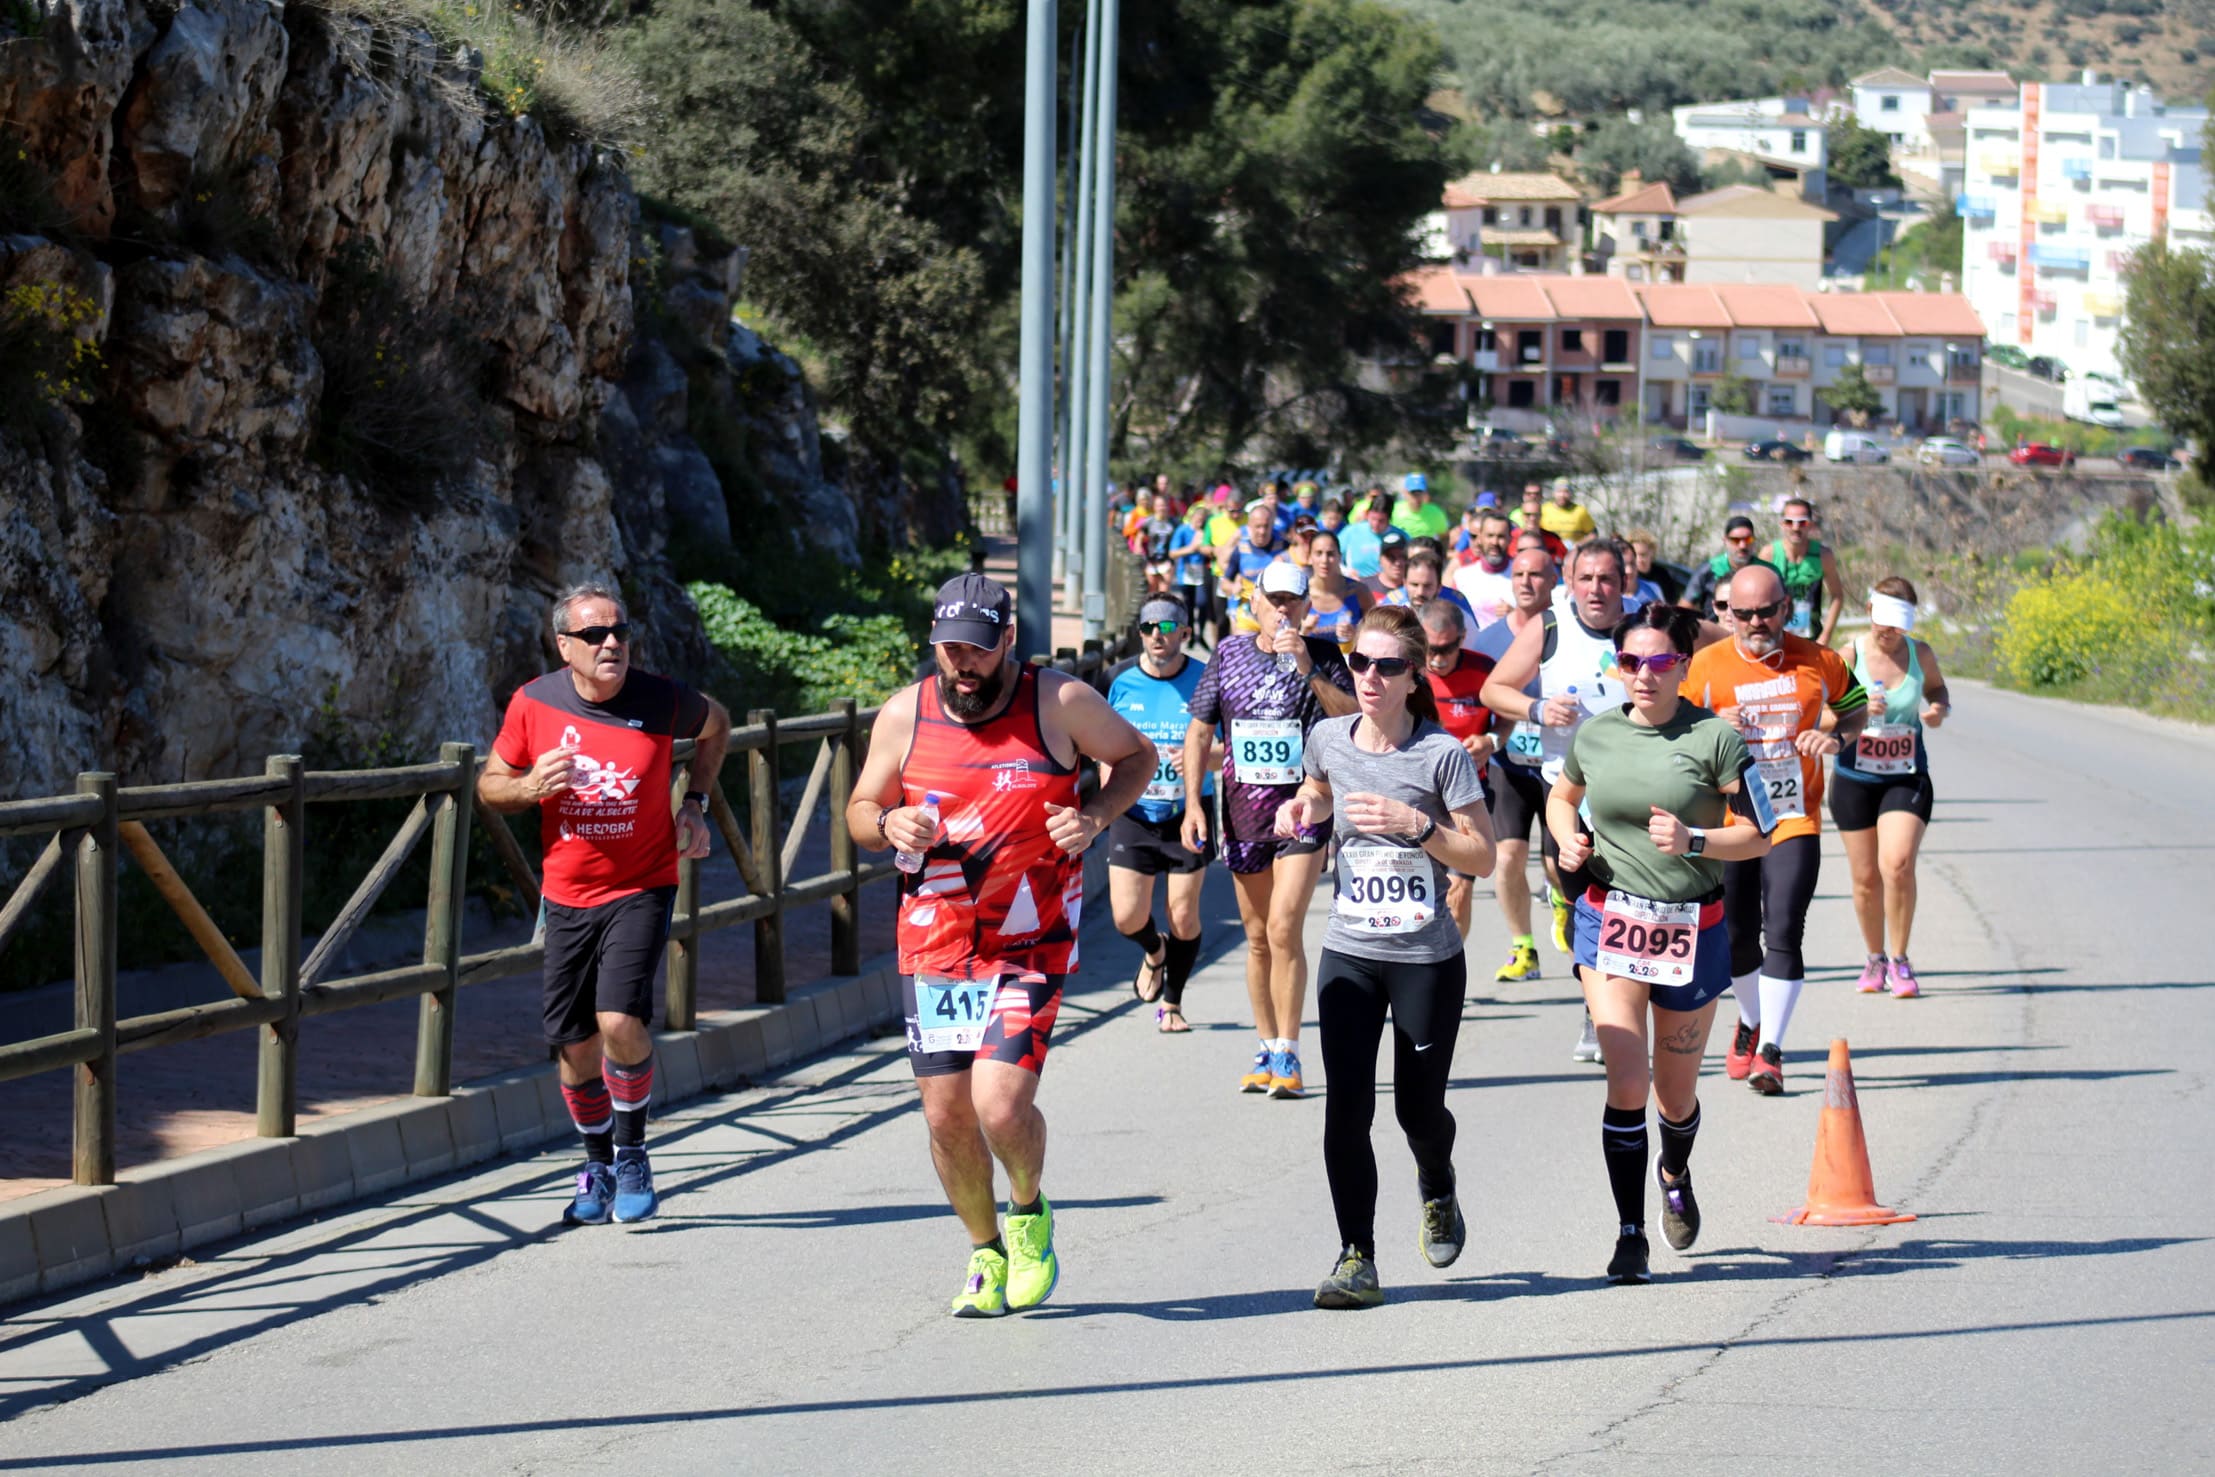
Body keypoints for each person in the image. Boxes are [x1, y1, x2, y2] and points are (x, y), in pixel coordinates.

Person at [846, 573, 1156, 1318]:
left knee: (1000, 1104)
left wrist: (1094, 814)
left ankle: (1027, 1214)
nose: (963, 664)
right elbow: (861, 807)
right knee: (946, 1115)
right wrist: (886, 825)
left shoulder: (1059, 702)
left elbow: (1138, 758)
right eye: (950, 648)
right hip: (935, 944)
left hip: (1030, 940)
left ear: (1008, 641)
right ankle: (984, 1250)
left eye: (978, 651)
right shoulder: (904, 714)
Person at [481, 584, 732, 1228]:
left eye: (620, 631)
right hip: (566, 895)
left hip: (643, 884)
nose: (612, 643)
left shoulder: (661, 697)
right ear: (565, 646)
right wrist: (529, 785)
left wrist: (694, 802)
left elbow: (718, 725)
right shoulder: (535, 703)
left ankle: (634, 1152)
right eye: (594, 635)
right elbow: (489, 783)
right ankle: (595, 1162)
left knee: (619, 1019)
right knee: (574, 1046)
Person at [1548, 602, 1777, 1284]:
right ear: (1615, 667)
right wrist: (1566, 835)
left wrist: (1695, 839)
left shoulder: (1715, 739)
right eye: (1628, 662)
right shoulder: (1595, 736)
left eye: (1657, 662)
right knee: (1627, 1078)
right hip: (1608, 918)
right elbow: (1563, 796)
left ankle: (1673, 1168)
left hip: (1690, 926)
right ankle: (1630, 1233)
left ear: (1682, 665)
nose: (1642, 676)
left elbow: (1762, 832)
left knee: (1673, 1097)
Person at [1280, 606, 1496, 1308]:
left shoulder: (1441, 755)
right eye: (1360, 664)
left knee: (1416, 1110)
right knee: (1345, 1106)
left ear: (1414, 675)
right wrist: (1301, 810)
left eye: (1387, 666)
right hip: (1350, 947)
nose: (1369, 678)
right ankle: (1356, 1255)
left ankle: (1436, 1182)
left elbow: (1483, 855)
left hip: (1424, 956)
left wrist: (1417, 824)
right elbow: (1316, 788)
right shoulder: (1325, 736)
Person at [1683, 562, 1869, 1096]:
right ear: (1728, 613)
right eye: (1743, 613)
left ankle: (1771, 1051)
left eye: (1767, 611)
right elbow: (1673, 733)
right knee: (1738, 939)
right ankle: (1750, 1019)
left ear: (1786, 606)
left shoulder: (1819, 660)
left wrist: (1836, 740)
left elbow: (1854, 712)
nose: (1755, 622)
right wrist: (1713, 731)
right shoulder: (1706, 667)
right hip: (1732, 823)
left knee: (1783, 929)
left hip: (1793, 817)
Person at [1184, 560, 1358, 1099]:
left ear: (1308, 607)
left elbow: (1352, 720)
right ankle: (1265, 1046)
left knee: (1284, 927)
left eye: (1293, 601)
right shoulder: (1229, 653)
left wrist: (1308, 666)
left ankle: (1290, 1050)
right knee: (1258, 939)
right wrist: (1193, 803)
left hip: (1306, 810)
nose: (1283, 609)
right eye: (1274, 599)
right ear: (1254, 601)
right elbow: (1198, 731)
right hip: (1242, 814)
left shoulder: (1326, 656)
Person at [1831, 579, 1952, 999]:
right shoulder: (1849, 655)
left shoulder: (1920, 654)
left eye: (1898, 626)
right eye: (1884, 623)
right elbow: (1821, 715)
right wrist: (1859, 709)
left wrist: (1938, 708)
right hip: (1854, 777)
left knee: (1897, 864)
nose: (1889, 633)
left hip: (1906, 774)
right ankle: (1875, 957)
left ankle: (1900, 960)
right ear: (1869, 610)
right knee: (1866, 880)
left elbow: (1937, 688)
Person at [1105, 597, 1217, 1033]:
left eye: (1167, 626)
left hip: (1189, 810)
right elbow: (1104, 749)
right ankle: (1154, 950)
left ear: (1184, 633)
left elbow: (1228, 752)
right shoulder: (1119, 681)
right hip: (1133, 810)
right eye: (1148, 626)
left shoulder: (1206, 681)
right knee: (1126, 916)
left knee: (1184, 914)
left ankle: (1172, 1003)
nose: (1157, 634)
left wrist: (1195, 755)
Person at [1470, 548, 1557, 981]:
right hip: (1510, 763)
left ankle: (1562, 902)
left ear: (1555, 579)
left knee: (1559, 865)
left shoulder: (1570, 633)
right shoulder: (1488, 640)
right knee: (1508, 857)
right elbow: (1474, 700)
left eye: (1537, 574)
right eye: (1519, 573)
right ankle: (1523, 947)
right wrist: (1482, 739)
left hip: (1561, 767)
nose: (1526, 582)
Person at [1419, 601, 1498, 941]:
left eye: (1448, 648)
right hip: (1418, 796)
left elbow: (1507, 715)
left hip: (1468, 796)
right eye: (1430, 648)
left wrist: (1492, 739)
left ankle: (1450, 973)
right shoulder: (1405, 672)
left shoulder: (1485, 671)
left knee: (1458, 890)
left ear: (1462, 639)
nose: (1437, 658)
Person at [1769, 496, 1846, 643]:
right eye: (1789, 522)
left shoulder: (1823, 555)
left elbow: (1837, 596)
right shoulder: (1769, 554)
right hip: (1777, 638)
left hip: (1811, 637)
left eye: (1802, 522)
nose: (1796, 528)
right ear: (1782, 524)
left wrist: (1826, 634)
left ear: (1810, 525)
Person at [1382, 546, 1481, 650]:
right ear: (1405, 583)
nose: (1420, 592)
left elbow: (1474, 648)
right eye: (1414, 585)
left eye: (1427, 586)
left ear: (1439, 587)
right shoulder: (1391, 605)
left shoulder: (1459, 610)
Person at [1680, 516, 1772, 618]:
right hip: (1716, 631)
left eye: (1748, 539)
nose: (1742, 545)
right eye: (1735, 540)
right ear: (1725, 541)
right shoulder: (1709, 569)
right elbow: (1685, 607)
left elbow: (1783, 606)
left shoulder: (1767, 572)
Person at [1302, 526, 1370, 653]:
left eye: (1330, 554)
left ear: (1339, 556)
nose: (1324, 560)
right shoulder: (1301, 594)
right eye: (1318, 553)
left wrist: (1356, 634)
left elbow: (1375, 633)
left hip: (1349, 665)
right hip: (1311, 664)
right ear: (1310, 558)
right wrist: (1304, 630)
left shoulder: (1359, 591)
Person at [1452, 509, 1519, 630]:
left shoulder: (1523, 576)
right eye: (1490, 536)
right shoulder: (1462, 577)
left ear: (1510, 539)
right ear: (1480, 538)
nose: (1494, 542)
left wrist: (1517, 616)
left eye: (1501, 536)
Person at [1170, 501, 1217, 648]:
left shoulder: (1207, 532)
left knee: (1202, 603)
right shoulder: (1182, 531)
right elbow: (1173, 553)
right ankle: (1189, 635)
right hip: (1186, 571)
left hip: (1202, 571)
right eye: (1197, 520)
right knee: (1188, 605)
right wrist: (1191, 548)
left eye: (1202, 522)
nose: (1199, 524)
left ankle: (1201, 634)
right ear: (1191, 518)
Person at [1509, 483, 1568, 564]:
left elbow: (1565, 561)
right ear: (1522, 516)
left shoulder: (1553, 540)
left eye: (1536, 515)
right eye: (1528, 515)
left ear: (1541, 516)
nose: (1532, 518)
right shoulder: (1511, 538)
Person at [1339, 494, 1393, 579]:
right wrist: (1346, 571)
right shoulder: (1352, 531)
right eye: (1373, 519)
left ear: (1389, 519)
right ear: (1367, 514)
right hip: (1357, 584)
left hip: (1387, 587)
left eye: (1381, 521)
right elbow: (1333, 555)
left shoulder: (1399, 536)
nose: (1376, 524)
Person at [1135, 495, 1180, 595]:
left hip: (1167, 560)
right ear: (1154, 507)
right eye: (1159, 506)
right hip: (1151, 560)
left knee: (1164, 590)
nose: (1161, 508)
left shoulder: (1173, 522)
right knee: (1152, 589)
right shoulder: (1149, 522)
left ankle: (1162, 609)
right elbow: (1140, 537)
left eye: (1163, 505)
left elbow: (1179, 539)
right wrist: (1138, 550)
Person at [1540, 477, 1598, 548]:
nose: (1562, 495)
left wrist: (1579, 544)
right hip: (1550, 552)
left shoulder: (1580, 511)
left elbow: (1593, 534)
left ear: (1571, 494)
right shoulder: (1543, 509)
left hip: (1573, 553)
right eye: (1559, 491)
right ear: (1553, 493)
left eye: (1566, 491)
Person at [1391, 473, 1451, 541]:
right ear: (1405, 492)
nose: (1417, 497)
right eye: (1413, 493)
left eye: (1420, 493)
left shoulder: (1436, 513)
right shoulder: (1394, 510)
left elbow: (1444, 536)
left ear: (1425, 493)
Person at [1624, 528, 1671, 606]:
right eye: (1635, 555)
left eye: (1643, 554)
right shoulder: (1629, 578)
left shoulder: (1663, 576)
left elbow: (1670, 604)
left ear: (1652, 552)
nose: (1639, 560)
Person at [1363, 528, 1411, 601]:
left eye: (1402, 556)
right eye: (1391, 557)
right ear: (1380, 559)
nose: (1397, 563)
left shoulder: (1414, 590)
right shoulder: (1364, 587)